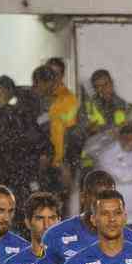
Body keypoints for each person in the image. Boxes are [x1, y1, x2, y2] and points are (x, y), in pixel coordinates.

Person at [84, 120, 132, 237]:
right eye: (127, 139)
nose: (131, 143)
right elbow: (89, 148)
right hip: (110, 217)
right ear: (120, 137)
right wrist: (109, 134)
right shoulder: (107, 152)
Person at [0, 74, 50, 199]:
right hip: (2, 173)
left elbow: (35, 140)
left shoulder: (16, 115)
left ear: (2, 91)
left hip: (13, 174)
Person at [45, 58, 80, 191]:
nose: (52, 78)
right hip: (39, 163)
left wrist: (66, 165)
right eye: (49, 74)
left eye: (56, 74)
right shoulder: (37, 97)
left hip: (58, 165)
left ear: (62, 76)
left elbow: (72, 136)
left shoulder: (68, 99)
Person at [81, 68, 132, 136]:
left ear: (111, 83)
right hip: (97, 144)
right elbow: (83, 131)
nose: (102, 89)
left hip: (120, 144)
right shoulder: (88, 107)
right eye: (97, 86)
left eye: (105, 84)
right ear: (94, 89)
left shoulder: (126, 106)